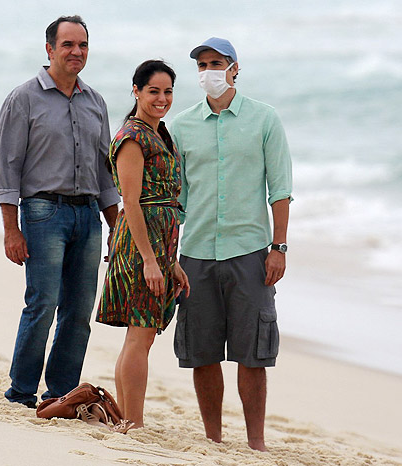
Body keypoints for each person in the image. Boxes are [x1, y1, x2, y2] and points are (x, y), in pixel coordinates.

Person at [0, 15, 120, 409]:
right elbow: (6, 167)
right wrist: (12, 231)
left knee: (79, 311)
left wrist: (117, 227)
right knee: (43, 303)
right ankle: (21, 393)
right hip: (43, 212)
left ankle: (60, 395)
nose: (76, 52)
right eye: (67, 45)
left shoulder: (95, 101)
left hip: (88, 216)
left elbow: (105, 171)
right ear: (49, 49)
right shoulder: (24, 98)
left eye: (82, 45)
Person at [170, 37, 292, 451]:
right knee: (201, 352)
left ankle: (255, 442)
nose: (209, 71)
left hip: (251, 252)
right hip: (197, 253)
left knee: (252, 353)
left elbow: (281, 189)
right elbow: (176, 199)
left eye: (216, 62)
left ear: (235, 67)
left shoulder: (264, 119)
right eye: (202, 65)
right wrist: (170, 255)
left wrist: (279, 247)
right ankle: (214, 439)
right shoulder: (181, 126)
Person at [96, 60, 190, 430]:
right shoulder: (133, 137)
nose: (162, 98)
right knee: (142, 333)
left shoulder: (160, 133)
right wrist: (151, 261)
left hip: (157, 245)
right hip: (140, 245)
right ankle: (133, 422)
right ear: (136, 91)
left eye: (168, 91)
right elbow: (130, 203)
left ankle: (125, 417)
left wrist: (171, 262)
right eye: (153, 91)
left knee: (141, 335)